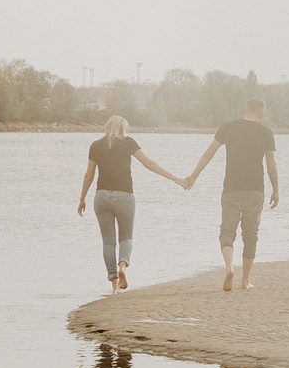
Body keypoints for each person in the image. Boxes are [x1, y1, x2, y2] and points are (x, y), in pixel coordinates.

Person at [75, 116, 185, 292]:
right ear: (123, 128)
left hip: (101, 197)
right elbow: (148, 163)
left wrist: (82, 198)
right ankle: (123, 266)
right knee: (126, 237)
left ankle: (114, 283)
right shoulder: (128, 142)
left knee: (108, 242)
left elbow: (89, 175)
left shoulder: (95, 145)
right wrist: (174, 178)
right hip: (124, 196)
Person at [183, 98, 278, 291]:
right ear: (261, 114)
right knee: (250, 235)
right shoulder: (266, 132)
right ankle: (245, 281)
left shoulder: (228, 127)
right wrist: (276, 189)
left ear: (244, 109)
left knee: (227, 231)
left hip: (231, 189)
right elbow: (271, 165)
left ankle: (229, 268)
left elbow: (208, 154)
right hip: (255, 190)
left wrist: (193, 176)